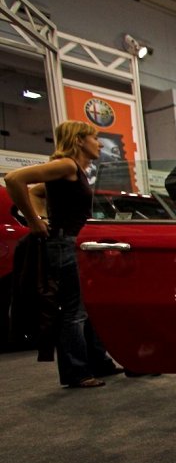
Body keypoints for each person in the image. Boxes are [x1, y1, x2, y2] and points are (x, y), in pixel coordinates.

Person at [4, 120, 121, 388]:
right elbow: (14, 179)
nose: (99, 143)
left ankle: (97, 362)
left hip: (72, 242)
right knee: (74, 309)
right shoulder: (67, 165)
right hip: (65, 243)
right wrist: (34, 220)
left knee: (85, 306)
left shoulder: (73, 170)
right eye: (94, 137)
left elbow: (37, 191)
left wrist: (41, 215)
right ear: (79, 140)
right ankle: (76, 371)